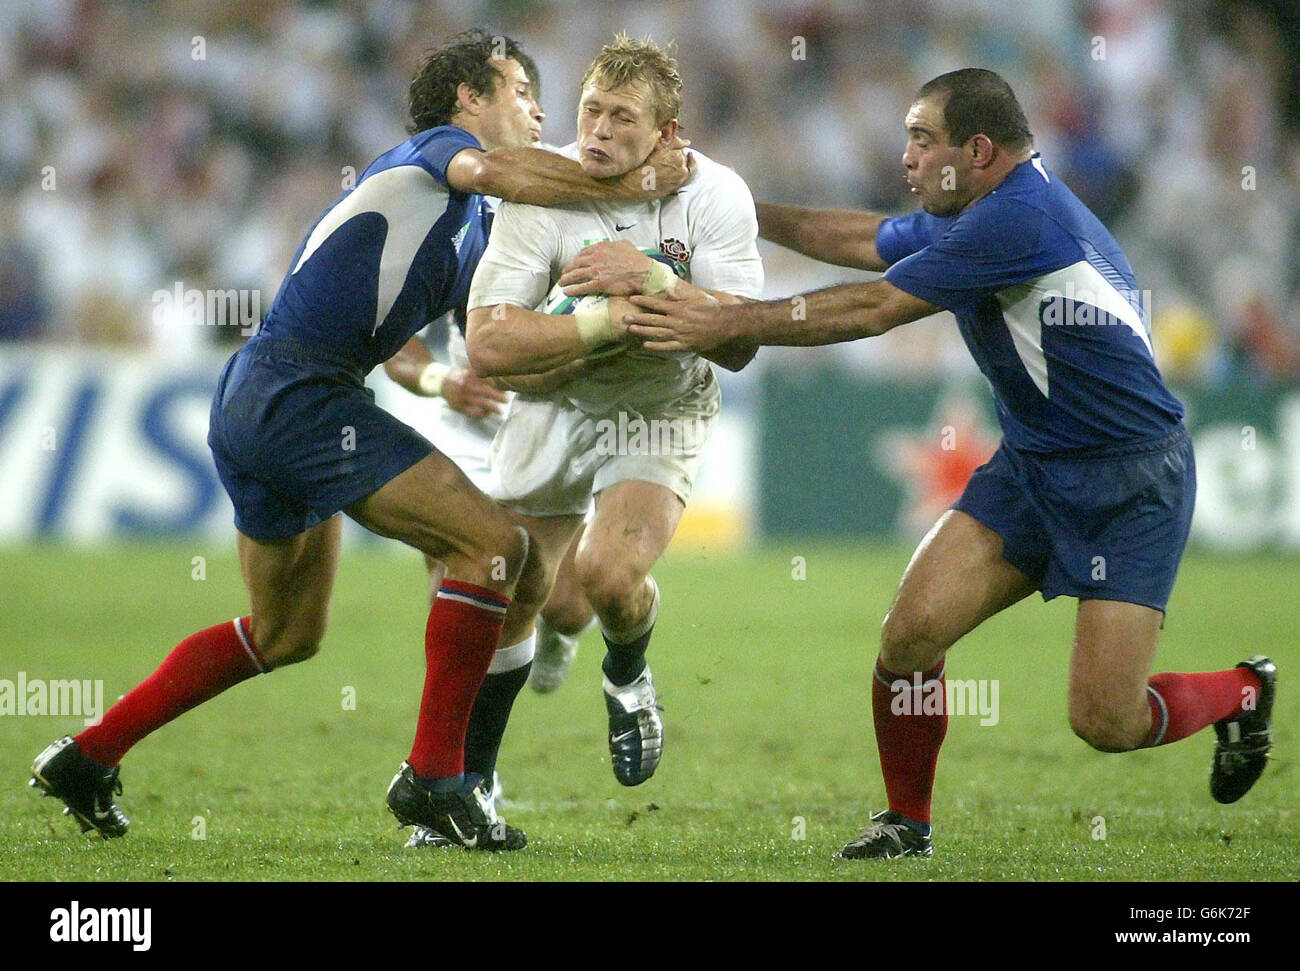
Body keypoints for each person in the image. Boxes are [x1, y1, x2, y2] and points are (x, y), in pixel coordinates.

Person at [30, 29, 689, 852]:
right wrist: (636, 176)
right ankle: (435, 777)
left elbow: (416, 337)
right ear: (469, 99)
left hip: (264, 396)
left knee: (286, 634)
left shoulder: (468, 229)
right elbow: (504, 173)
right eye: (521, 91)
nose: (540, 109)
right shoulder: (438, 154)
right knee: (493, 546)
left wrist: (442, 380)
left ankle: (87, 756)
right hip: (299, 395)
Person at [624, 68, 1276, 858]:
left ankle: (1244, 691)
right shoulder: (970, 208)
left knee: (1106, 720)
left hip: (1131, 482)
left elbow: (874, 307)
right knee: (910, 636)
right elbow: (861, 241)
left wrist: (721, 319)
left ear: (977, 149)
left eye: (921, 138)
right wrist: (725, 202)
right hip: (1033, 469)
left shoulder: (1018, 222)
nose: (904, 155)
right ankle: (908, 822)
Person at [464, 34, 763, 789]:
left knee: (604, 574)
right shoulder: (544, 191)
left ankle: (627, 679)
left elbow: (739, 345)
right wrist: (597, 322)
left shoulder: (716, 196)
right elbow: (489, 346)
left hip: (659, 402)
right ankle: (476, 783)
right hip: (556, 394)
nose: (597, 130)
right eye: (590, 110)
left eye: (622, 118)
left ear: (666, 135)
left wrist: (657, 281)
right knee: (519, 592)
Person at [384, 322, 595, 702]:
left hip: (557, 438)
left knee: (566, 608)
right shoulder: (456, 261)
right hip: (472, 434)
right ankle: (460, 752)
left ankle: (558, 633)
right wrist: (440, 379)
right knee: (455, 605)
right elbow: (397, 343)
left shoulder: (579, 264)